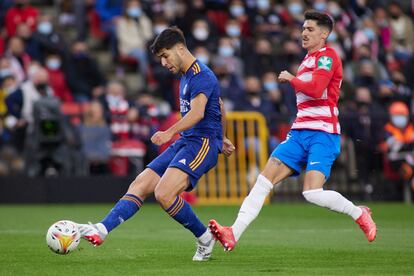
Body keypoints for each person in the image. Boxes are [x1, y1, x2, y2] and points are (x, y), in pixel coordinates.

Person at [209, 10, 377, 252]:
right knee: (263, 181)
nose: (304, 33)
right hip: (299, 132)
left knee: (312, 193)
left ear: (324, 34)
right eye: (303, 29)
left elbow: (318, 88)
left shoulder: (327, 56)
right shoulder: (306, 60)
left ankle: (359, 213)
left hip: (323, 132)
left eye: (310, 29)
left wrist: (292, 79)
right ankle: (232, 233)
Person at [75, 26, 235, 261]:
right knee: (140, 183)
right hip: (188, 141)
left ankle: (204, 238)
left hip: (202, 144)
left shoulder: (202, 74)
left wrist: (171, 132)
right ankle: (101, 229)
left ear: (180, 48)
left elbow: (198, 113)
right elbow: (218, 104)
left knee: (164, 193)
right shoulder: (187, 75)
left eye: (165, 55)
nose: (163, 63)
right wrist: (223, 135)